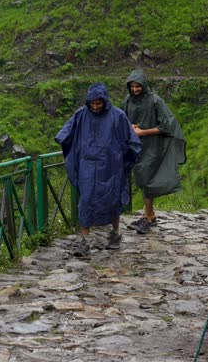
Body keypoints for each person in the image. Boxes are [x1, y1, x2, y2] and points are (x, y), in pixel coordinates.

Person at [56, 82, 141, 256]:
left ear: (105, 101)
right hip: (87, 167)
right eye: (93, 103)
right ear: (88, 102)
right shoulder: (81, 115)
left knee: (113, 200)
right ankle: (84, 241)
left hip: (111, 166)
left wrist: (125, 155)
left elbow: (131, 140)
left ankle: (115, 234)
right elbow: (66, 133)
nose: (96, 107)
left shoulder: (117, 116)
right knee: (85, 201)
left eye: (99, 103)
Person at [120, 69, 186, 234]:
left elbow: (166, 125)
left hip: (153, 146)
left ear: (144, 85)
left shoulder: (155, 100)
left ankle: (148, 218)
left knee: (148, 180)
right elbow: (121, 120)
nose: (135, 89)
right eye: (133, 86)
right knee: (142, 180)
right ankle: (149, 215)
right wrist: (130, 128)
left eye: (138, 86)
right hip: (136, 147)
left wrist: (142, 132)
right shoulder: (128, 100)